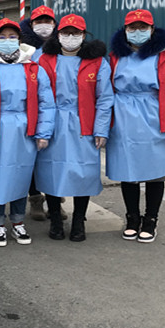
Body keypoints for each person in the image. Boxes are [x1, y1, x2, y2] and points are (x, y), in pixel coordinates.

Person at [0, 18, 55, 247]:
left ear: (20, 40)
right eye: (2, 37)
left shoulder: (34, 69)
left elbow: (46, 103)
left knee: (20, 176)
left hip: (24, 130)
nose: (8, 41)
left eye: (13, 37)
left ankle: (17, 221)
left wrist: (43, 132)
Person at [107, 9, 165, 244]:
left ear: (152, 30)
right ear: (125, 30)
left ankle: (151, 218)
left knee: (155, 173)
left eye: (143, 28)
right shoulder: (115, 58)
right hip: (122, 118)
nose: (137, 32)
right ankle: (132, 217)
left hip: (154, 118)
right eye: (132, 28)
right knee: (127, 170)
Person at [35, 14, 113, 241]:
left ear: (84, 35)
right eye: (66, 32)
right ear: (58, 34)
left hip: (83, 122)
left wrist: (101, 129)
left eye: (75, 33)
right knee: (51, 171)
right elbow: (37, 93)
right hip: (53, 121)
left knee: (84, 173)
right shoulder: (44, 59)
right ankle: (56, 219)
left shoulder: (97, 62)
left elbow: (105, 98)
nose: (70, 37)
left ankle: (79, 220)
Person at [20, 5, 60, 221]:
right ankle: (35, 198)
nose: (43, 25)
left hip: (58, 108)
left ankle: (56, 200)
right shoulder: (22, 47)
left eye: (47, 21)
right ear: (31, 23)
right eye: (38, 21)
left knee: (55, 157)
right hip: (30, 107)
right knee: (33, 156)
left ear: (54, 24)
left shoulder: (62, 44)